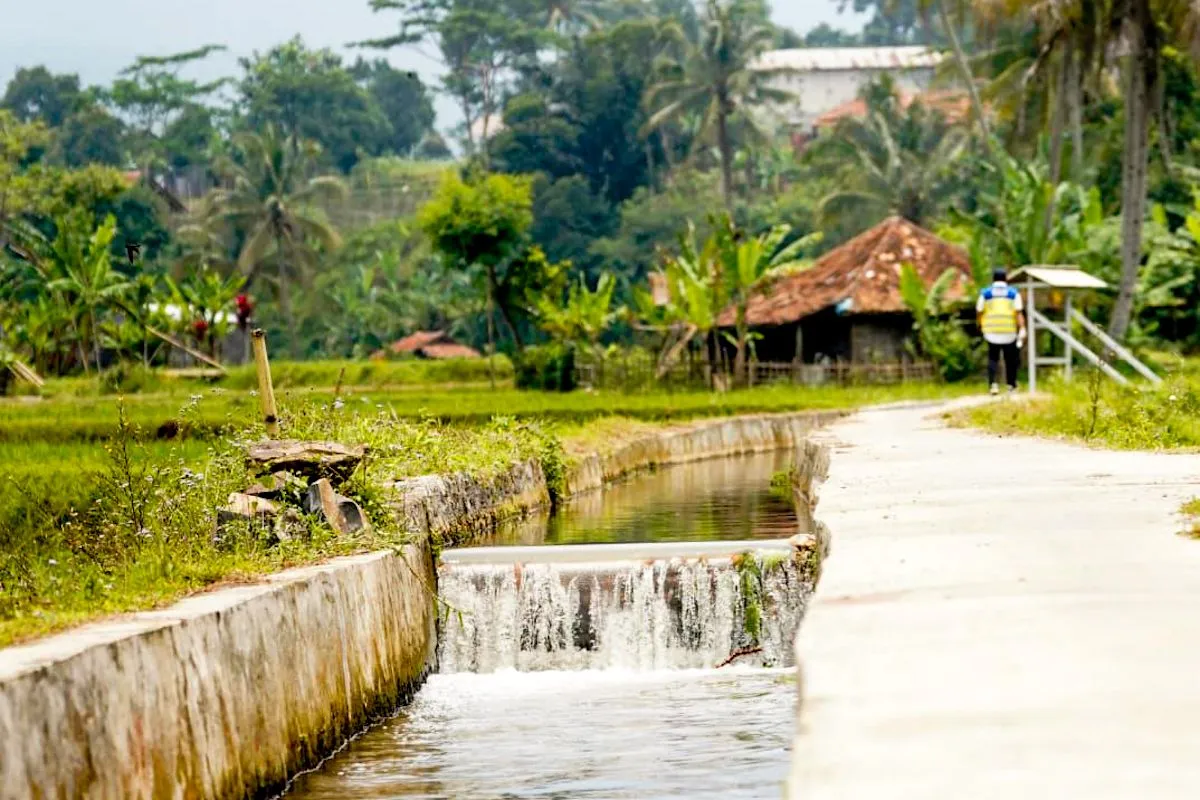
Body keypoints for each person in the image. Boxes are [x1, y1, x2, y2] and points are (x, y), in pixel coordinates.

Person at [976, 267, 1026, 395]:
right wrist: (1022, 328)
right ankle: (1011, 386)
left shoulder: (986, 293)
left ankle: (993, 385)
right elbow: (1018, 313)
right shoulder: (1013, 293)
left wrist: (981, 326)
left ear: (993, 279)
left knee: (993, 358)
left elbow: (980, 311)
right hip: (1009, 330)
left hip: (991, 331)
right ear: (1006, 279)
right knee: (1011, 359)